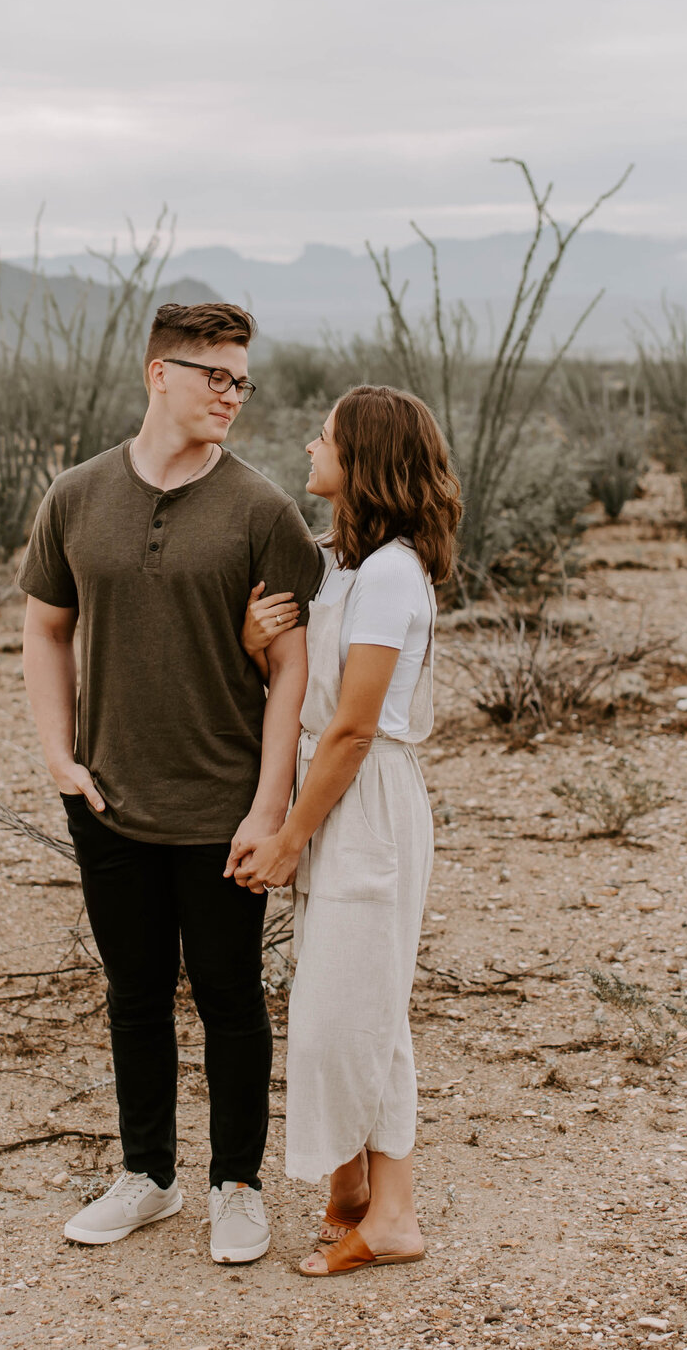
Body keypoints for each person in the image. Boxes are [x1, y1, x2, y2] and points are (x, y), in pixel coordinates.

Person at [19, 302, 326, 1266]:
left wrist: (270, 802)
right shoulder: (73, 496)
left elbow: (292, 674)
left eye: (243, 380)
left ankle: (236, 1184)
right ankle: (145, 1176)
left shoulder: (263, 511)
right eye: (215, 376)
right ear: (161, 373)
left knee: (231, 996)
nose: (232, 395)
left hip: (222, 808)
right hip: (109, 802)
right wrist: (60, 756)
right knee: (135, 994)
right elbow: (45, 626)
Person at [231, 384, 459, 1278]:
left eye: (325, 434)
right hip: (333, 789)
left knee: (355, 1011)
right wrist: (259, 643)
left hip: (361, 795)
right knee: (340, 997)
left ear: (362, 459)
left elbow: (357, 725)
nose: (310, 443)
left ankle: (394, 1213)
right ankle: (353, 1189)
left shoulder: (394, 570)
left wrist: (288, 836)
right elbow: (304, 681)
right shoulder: (337, 562)